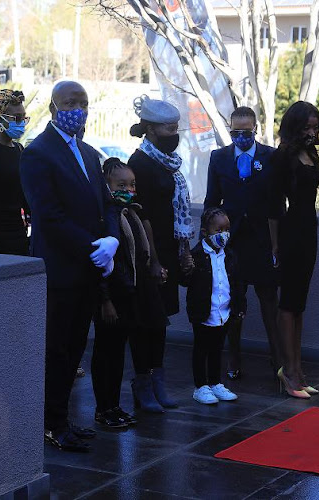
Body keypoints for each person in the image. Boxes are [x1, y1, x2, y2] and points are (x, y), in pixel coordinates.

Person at [20, 80, 120, 452]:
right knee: (57, 349)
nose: (77, 108)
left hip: (89, 268)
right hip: (60, 269)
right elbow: (48, 215)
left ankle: (62, 418)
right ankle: (51, 423)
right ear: (52, 108)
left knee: (77, 345)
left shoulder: (89, 152)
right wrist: (92, 246)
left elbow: (107, 205)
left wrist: (112, 240)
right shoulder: (38, 153)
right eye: (69, 102)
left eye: (83, 102)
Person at [127, 95, 194, 410]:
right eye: (169, 128)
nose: (175, 134)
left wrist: (184, 251)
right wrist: (153, 260)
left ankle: (158, 381)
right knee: (147, 322)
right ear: (151, 130)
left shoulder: (167, 163)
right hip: (149, 255)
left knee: (162, 320)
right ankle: (142, 383)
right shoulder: (139, 164)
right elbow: (143, 217)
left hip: (168, 250)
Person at [204, 106, 280, 380]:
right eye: (236, 131)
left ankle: (278, 360)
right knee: (234, 304)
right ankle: (233, 357)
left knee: (270, 302)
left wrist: (276, 242)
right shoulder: (219, 157)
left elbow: (277, 202)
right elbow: (212, 201)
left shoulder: (270, 157)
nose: (241, 136)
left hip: (263, 241)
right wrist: (210, 237)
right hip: (231, 241)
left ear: (255, 129)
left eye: (246, 132)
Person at [91, 158, 167, 426]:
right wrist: (106, 299)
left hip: (129, 292)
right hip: (113, 295)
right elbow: (101, 263)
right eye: (121, 184)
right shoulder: (105, 217)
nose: (129, 189)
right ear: (107, 186)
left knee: (117, 354)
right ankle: (104, 408)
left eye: (132, 184)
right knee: (105, 352)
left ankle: (114, 405)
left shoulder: (131, 212)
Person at [268, 101, 319, 399]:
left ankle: (297, 369)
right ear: (294, 126)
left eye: (315, 127)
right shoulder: (283, 157)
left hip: (309, 232)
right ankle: (287, 370)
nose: (311, 132)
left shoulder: (311, 154)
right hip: (291, 232)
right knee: (288, 304)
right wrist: (275, 244)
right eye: (306, 127)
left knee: (299, 303)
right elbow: (274, 205)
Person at [181, 207, 246, 405]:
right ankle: (201, 386)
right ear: (205, 232)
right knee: (202, 348)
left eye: (226, 229)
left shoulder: (230, 255)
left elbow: (237, 282)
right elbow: (185, 281)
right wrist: (186, 267)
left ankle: (215, 382)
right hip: (203, 312)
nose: (224, 234)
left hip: (224, 311)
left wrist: (239, 305)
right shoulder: (197, 255)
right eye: (218, 230)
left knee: (217, 347)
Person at [0, 89, 30, 256]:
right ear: (0, 118)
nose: (21, 122)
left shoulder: (19, 149)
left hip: (18, 231)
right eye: (16, 118)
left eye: (23, 117)